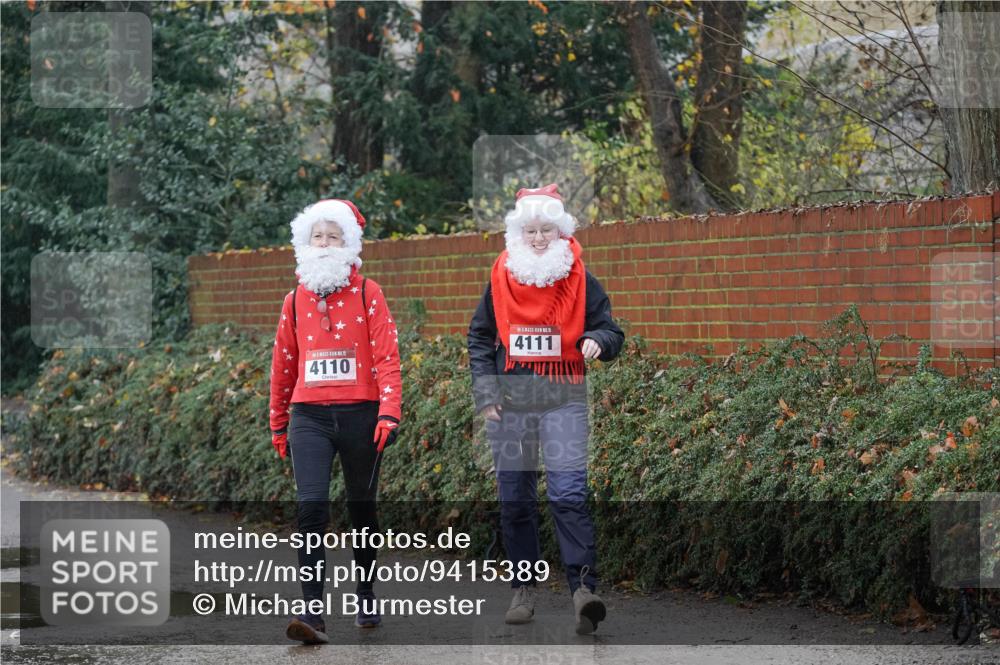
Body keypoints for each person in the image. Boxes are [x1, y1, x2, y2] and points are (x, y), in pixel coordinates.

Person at [467, 184, 624, 635]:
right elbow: (480, 337)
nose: (538, 238)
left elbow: (611, 330)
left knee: (568, 494)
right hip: (511, 405)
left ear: (561, 232)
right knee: (515, 499)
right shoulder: (500, 276)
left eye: (547, 230)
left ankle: (583, 590)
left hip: (563, 398)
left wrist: (599, 340)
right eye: (530, 230)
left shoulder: (580, 277)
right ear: (518, 233)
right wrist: (486, 393)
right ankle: (524, 589)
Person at [269, 199, 402, 644]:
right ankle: (312, 613)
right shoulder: (293, 300)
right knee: (311, 507)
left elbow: (387, 356)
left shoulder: (369, 292)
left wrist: (389, 409)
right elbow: (283, 365)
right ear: (304, 244)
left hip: (362, 415)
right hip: (309, 418)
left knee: (361, 509)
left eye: (333, 236)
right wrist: (277, 421)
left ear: (349, 243)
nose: (324, 244)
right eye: (317, 237)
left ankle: (366, 596)